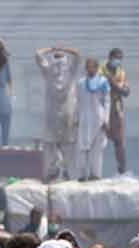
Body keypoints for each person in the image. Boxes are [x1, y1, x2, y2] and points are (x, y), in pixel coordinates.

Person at [36, 47, 81, 180]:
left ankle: (66, 171)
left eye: (60, 58)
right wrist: (63, 49)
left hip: (66, 112)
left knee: (64, 144)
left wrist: (53, 50)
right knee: (53, 143)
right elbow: (77, 56)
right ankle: (55, 170)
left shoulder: (50, 70)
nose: (59, 63)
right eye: (57, 58)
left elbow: (38, 54)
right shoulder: (54, 71)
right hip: (54, 113)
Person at [74, 58, 110, 182]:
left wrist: (106, 119)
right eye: (87, 67)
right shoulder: (80, 83)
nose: (90, 69)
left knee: (97, 149)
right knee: (82, 148)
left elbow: (107, 102)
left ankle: (96, 174)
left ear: (96, 67)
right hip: (84, 119)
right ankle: (82, 175)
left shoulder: (103, 82)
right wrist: (76, 118)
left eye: (92, 67)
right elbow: (77, 102)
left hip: (98, 119)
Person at [100, 48, 130, 175]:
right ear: (110, 57)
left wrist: (118, 86)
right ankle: (93, 171)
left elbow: (126, 91)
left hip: (116, 108)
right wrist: (114, 85)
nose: (118, 61)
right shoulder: (100, 70)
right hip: (101, 107)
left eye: (120, 59)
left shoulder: (121, 72)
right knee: (97, 140)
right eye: (116, 58)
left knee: (120, 142)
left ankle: (122, 170)